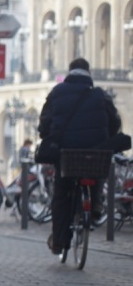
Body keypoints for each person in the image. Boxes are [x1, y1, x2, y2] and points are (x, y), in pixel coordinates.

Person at [37, 57, 122, 256]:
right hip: (94, 151)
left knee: (61, 193)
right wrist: (106, 138)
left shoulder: (57, 92)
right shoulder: (100, 95)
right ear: (88, 73)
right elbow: (115, 122)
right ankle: (96, 204)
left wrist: (45, 134)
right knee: (96, 173)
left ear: (70, 72)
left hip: (66, 153)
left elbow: (45, 121)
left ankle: (59, 242)